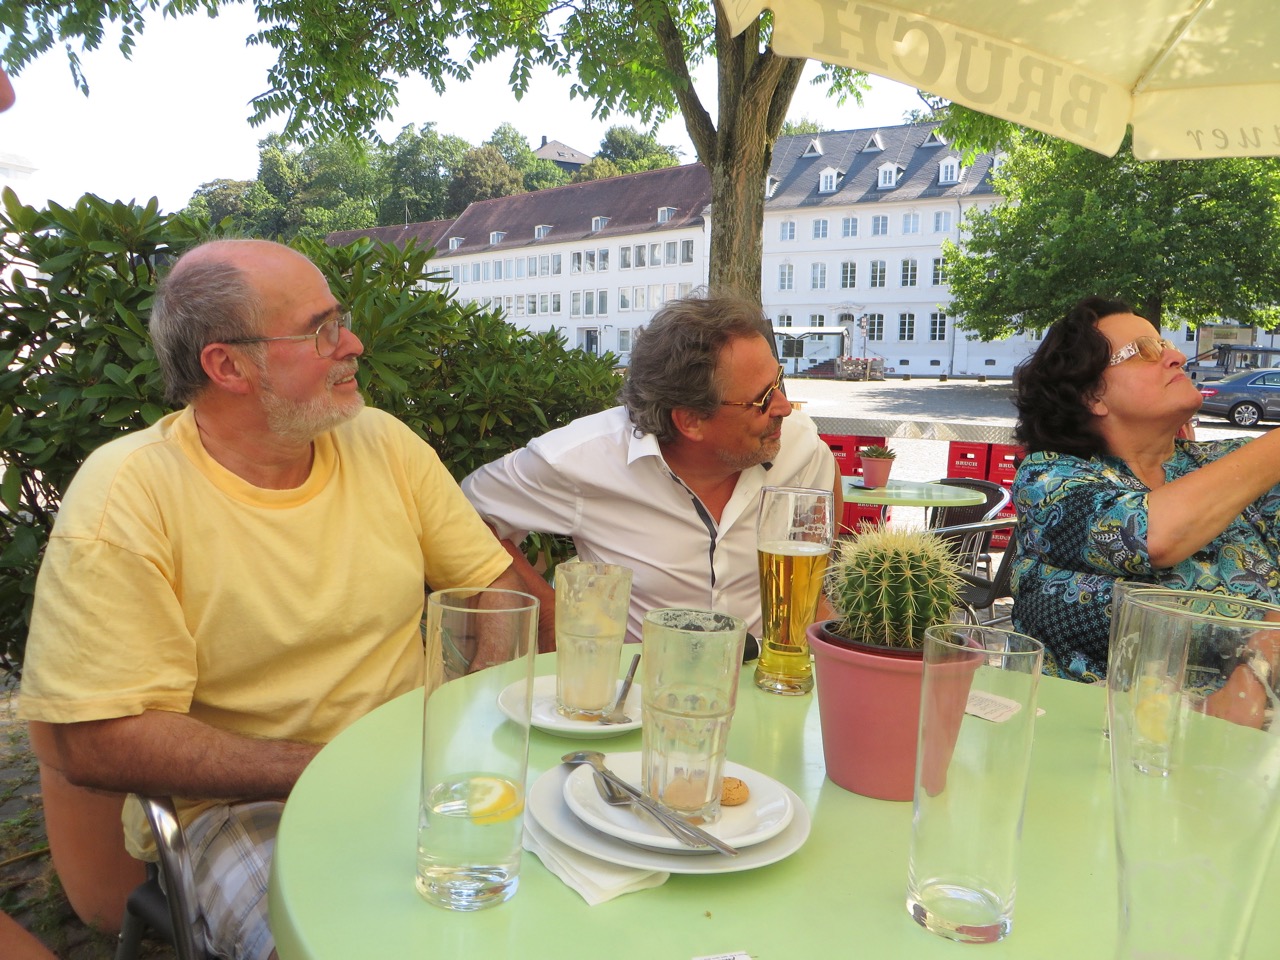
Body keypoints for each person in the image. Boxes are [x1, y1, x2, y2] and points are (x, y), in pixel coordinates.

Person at [18, 239, 520, 959]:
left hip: (420, 768)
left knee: (554, 893)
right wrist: (335, 766)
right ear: (228, 366)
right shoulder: (129, 494)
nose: (353, 344)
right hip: (240, 809)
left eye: (341, 320)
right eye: (322, 330)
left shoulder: (381, 442)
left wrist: (466, 727)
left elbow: (492, 588)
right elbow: (98, 741)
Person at [461, 293, 840, 652]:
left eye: (778, 382)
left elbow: (815, 570)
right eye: (763, 398)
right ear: (690, 420)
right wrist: (546, 612)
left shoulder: (801, 448)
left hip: (766, 681)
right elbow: (465, 515)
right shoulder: (580, 458)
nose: (784, 407)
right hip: (636, 684)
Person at [1010, 295, 1280, 685]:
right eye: (1145, 350)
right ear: (1091, 395)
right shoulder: (1049, 480)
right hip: (1088, 720)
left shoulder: (1230, 463)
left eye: (1166, 344)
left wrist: (1256, 674)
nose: (1177, 357)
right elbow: (1149, 534)